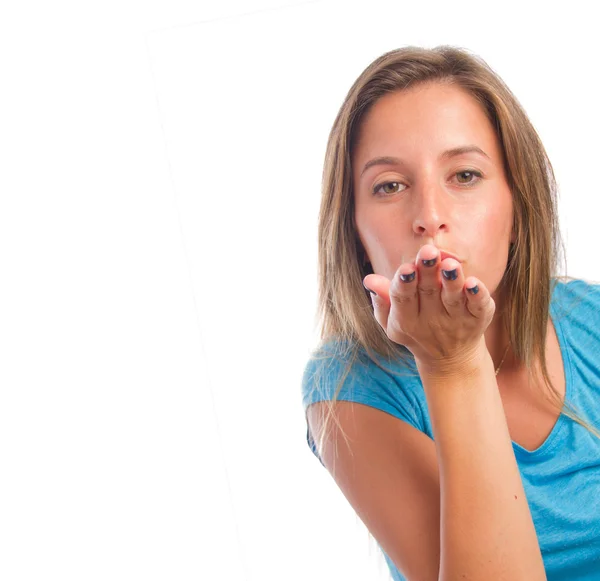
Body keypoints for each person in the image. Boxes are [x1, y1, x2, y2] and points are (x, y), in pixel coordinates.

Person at [301, 45, 600, 581]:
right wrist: (452, 364)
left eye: (464, 176)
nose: (430, 218)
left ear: (518, 197)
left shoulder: (592, 319)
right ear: (354, 228)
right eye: (390, 186)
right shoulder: (348, 384)